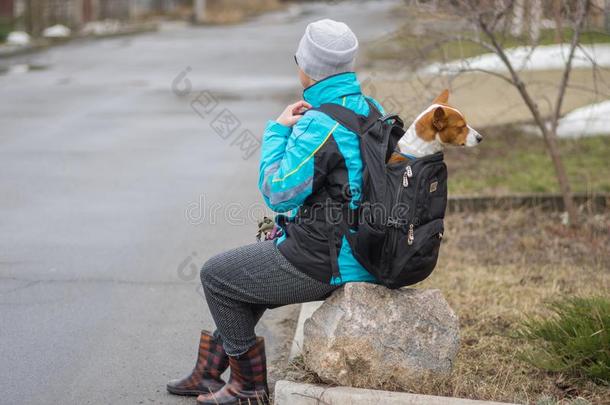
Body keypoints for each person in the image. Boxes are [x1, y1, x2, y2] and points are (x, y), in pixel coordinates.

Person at [167, 18, 385, 405]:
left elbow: (277, 192)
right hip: (365, 249)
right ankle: (209, 371)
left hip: (330, 261)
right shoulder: (372, 108)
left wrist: (278, 131)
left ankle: (248, 388)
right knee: (247, 274)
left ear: (308, 68)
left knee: (217, 276)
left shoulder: (321, 124)